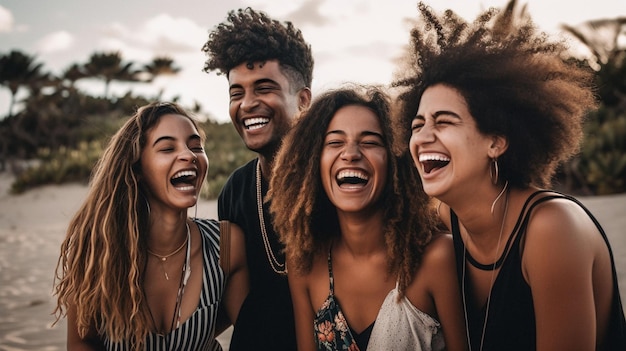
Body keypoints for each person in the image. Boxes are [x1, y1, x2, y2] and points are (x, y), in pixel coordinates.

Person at [395, 2, 626, 350]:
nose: (424, 136)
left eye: (444, 121)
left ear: (496, 141)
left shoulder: (550, 229)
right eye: (417, 125)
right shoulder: (447, 219)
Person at [268, 84, 468, 351]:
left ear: (396, 160)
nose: (351, 154)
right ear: (313, 161)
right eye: (335, 142)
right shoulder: (304, 263)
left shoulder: (437, 258)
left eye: (370, 142)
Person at [53, 102, 248, 350]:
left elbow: (250, 332)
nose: (189, 155)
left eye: (196, 146)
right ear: (138, 170)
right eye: (167, 148)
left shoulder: (227, 245)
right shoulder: (98, 249)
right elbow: (83, 341)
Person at [201, 7, 313, 351]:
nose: (247, 104)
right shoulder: (235, 189)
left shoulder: (336, 180)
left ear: (304, 101)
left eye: (263, 88)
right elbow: (237, 295)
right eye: (237, 93)